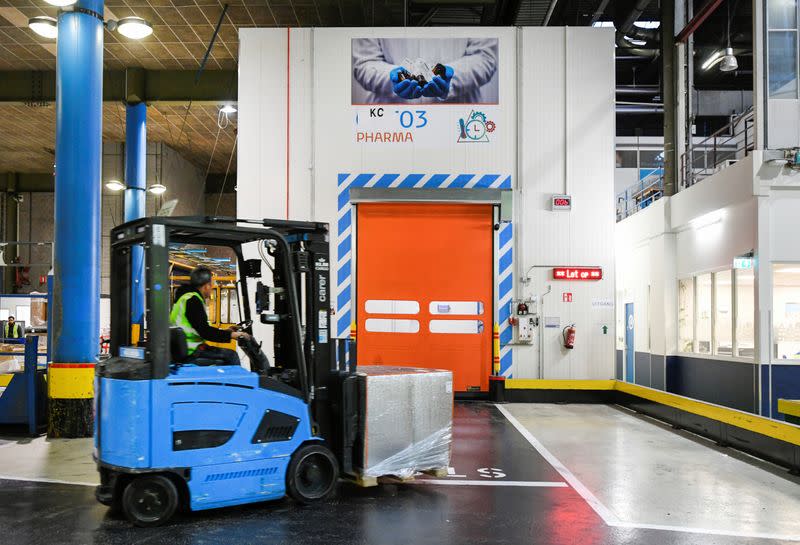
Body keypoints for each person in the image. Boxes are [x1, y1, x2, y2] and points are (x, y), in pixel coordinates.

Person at [352, 38, 498, 104]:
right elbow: (364, 62)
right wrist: (391, 80)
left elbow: (485, 57)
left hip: (458, 114)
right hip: (389, 118)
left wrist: (453, 78)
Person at [170, 267, 250, 366]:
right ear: (206, 286)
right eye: (211, 284)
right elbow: (205, 332)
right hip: (191, 353)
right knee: (231, 355)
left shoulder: (184, 298)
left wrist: (227, 331)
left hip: (185, 350)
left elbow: (199, 328)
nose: (212, 287)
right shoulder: (193, 300)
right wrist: (232, 335)